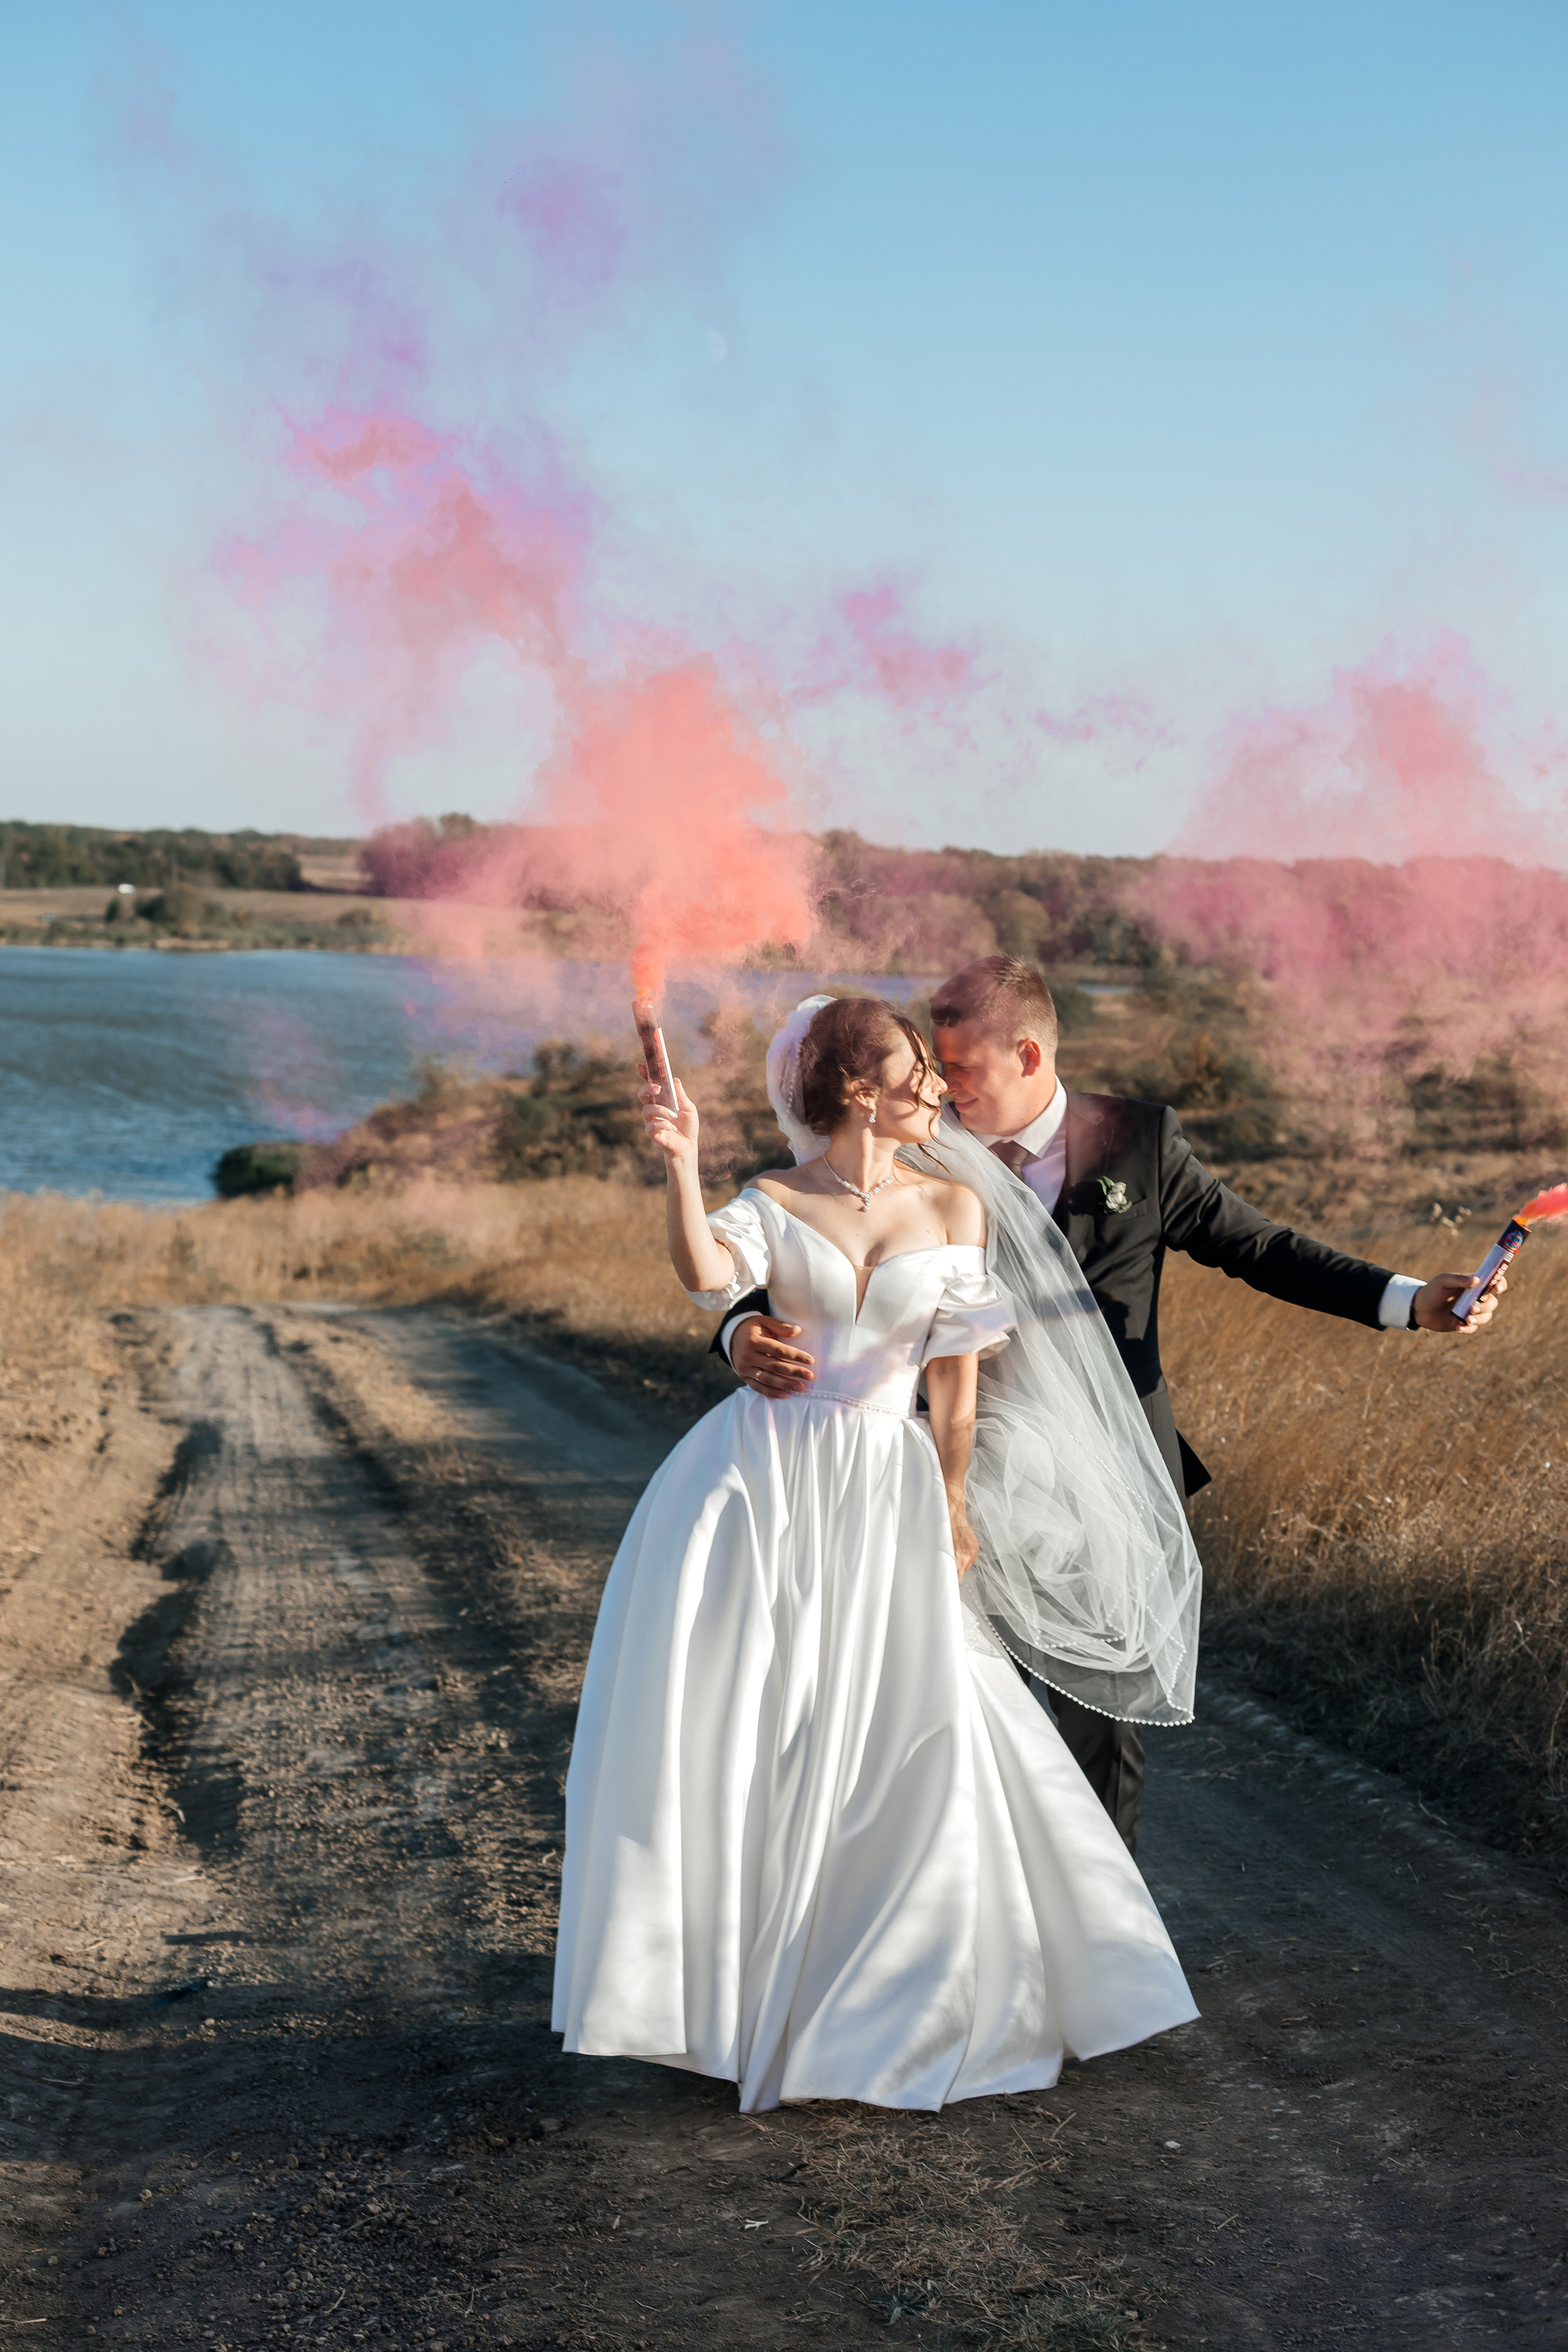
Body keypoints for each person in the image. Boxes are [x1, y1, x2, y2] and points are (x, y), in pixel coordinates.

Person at [552, 995, 1199, 2114]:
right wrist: (682, 1161)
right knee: (759, 1720)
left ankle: (899, 2001)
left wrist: (950, 1502)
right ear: (857, 1088)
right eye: (912, 1070)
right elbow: (709, 1278)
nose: (935, 1088)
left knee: (910, 1722)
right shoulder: (772, 1199)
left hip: (886, 1484)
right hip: (758, 1485)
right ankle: (742, 1990)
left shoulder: (955, 1204)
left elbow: (953, 1376)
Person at [718, 956, 1506, 1855]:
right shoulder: (912, 1139)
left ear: (1028, 1054)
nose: (943, 1087)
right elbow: (794, 1230)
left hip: (1107, 1480)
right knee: (965, 1715)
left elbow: (1261, 1248)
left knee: (1101, 1729)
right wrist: (739, 1332)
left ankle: (1106, 1945)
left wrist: (1409, 1300)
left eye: (962, 1067)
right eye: (931, 1065)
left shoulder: (1140, 1141)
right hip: (943, 1471)